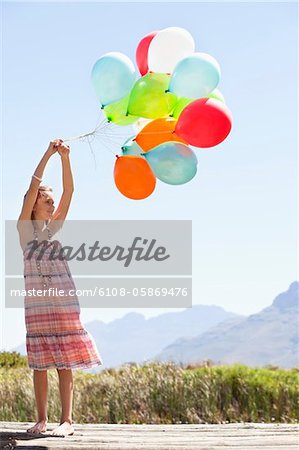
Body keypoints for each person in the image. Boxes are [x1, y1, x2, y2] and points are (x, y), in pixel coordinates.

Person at [17, 139, 103, 437]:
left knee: (64, 360)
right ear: (34, 204)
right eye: (47, 200)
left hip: (64, 301)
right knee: (40, 363)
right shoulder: (24, 231)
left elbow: (70, 191)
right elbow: (31, 189)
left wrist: (65, 158)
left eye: (52, 201)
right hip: (37, 305)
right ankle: (41, 419)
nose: (52, 204)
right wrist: (47, 154)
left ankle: (66, 420)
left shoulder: (56, 228)